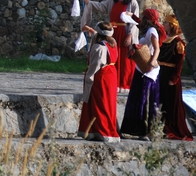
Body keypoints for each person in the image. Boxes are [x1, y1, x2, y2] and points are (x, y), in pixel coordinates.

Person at [79, 0, 139, 92]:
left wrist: (130, 35)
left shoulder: (132, 2)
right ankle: (114, 82)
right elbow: (100, 6)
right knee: (112, 57)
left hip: (125, 32)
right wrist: (88, 1)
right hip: (112, 33)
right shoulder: (113, 0)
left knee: (125, 59)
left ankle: (124, 84)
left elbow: (134, 20)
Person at [120, 9, 166, 139]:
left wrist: (151, 64)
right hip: (141, 68)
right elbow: (139, 22)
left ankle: (146, 130)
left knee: (145, 100)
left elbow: (156, 49)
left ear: (148, 19)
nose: (141, 19)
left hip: (148, 71)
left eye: (143, 17)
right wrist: (131, 15)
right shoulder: (150, 28)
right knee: (138, 99)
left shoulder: (152, 31)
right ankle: (138, 130)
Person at [77, 22, 120, 142]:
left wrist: (88, 78)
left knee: (100, 104)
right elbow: (98, 34)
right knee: (108, 103)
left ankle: (102, 131)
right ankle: (95, 131)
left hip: (101, 77)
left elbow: (95, 65)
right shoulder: (113, 43)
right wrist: (91, 30)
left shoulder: (99, 47)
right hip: (111, 75)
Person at [158, 15, 193, 140]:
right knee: (161, 102)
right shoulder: (163, 39)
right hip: (161, 73)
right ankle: (162, 127)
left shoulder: (178, 43)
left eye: (166, 23)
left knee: (171, 104)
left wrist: (174, 78)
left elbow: (179, 64)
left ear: (172, 25)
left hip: (170, 76)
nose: (164, 24)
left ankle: (173, 129)